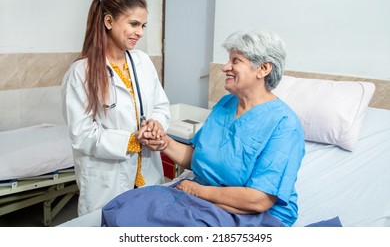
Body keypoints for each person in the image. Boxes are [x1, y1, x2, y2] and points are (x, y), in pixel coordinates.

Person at [101, 30, 306, 227]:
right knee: (122, 209)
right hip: (205, 198)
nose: (225, 67)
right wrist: (164, 142)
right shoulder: (226, 104)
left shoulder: (284, 124)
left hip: (254, 214)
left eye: (235, 61)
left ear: (263, 69)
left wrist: (198, 191)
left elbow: (258, 200)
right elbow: (197, 158)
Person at [61, 0, 170, 216]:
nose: (140, 32)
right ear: (109, 21)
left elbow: (160, 105)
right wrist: (132, 141)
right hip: (108, 183)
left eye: (143, 25)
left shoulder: (142, 61)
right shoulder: (81, 72)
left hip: (147, 175)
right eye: (133, 24)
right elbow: (82, 134)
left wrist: (156, 124)